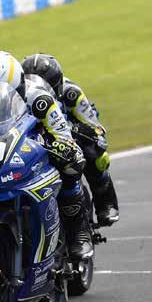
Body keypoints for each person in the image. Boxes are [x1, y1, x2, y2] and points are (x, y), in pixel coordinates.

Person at [0, 51, 93, 259]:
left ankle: (78, 233)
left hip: (35, 151)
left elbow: (63, 133)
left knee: (70, 164)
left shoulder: (39, 99)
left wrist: (62, 146)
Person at [22, 53, 119, 226]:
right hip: (38, 135)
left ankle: (105, 202)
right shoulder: (22, 93)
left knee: (95, 151)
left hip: (70, 131)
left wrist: (77, 133)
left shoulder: (71, 93)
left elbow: (96, 128)